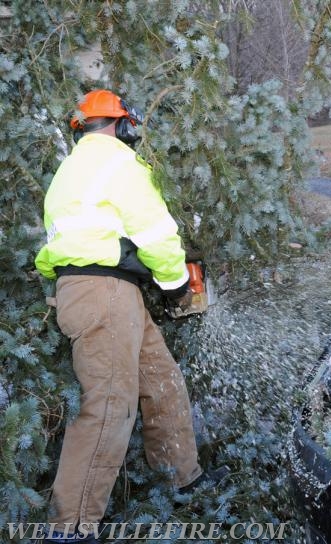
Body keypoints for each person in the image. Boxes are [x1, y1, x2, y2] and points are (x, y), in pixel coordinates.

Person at [35, 89, 207, 542]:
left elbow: (64, 244)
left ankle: (181, 478)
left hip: (95, 290)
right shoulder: (118, 163)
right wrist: (176, 287)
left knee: (160, 379)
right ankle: (69, 527)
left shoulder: (69, 170)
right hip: (104, 293)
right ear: (123, 124)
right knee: (109, 405)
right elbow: (156, 232)